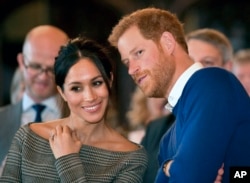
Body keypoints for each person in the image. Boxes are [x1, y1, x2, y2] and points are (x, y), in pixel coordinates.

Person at [108, 7, 250, 183]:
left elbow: (190, 176)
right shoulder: (168, 138)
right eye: (127, 62)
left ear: (168, 42)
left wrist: (169, 168)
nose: (131, 69)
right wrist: (172, 167)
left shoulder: (213, 82)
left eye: (138, 53)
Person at [0, 36, 148, 182]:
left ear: (109, 80)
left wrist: (67, 160)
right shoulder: (27, 137)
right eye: (76, 88)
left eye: (96, 83)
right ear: (62, 92)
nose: (89, 96)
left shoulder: (130, 157)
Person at [140, 28, 233, 183]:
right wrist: (168, 168)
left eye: (207, 62)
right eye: (190, 62)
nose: (196, 71)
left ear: (227, 68)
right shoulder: (157, 130)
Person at [0, 25, 69, 175]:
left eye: (52, 69)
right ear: (21, 61)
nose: (43, 76)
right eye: (36, 66)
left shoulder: (82, 121)